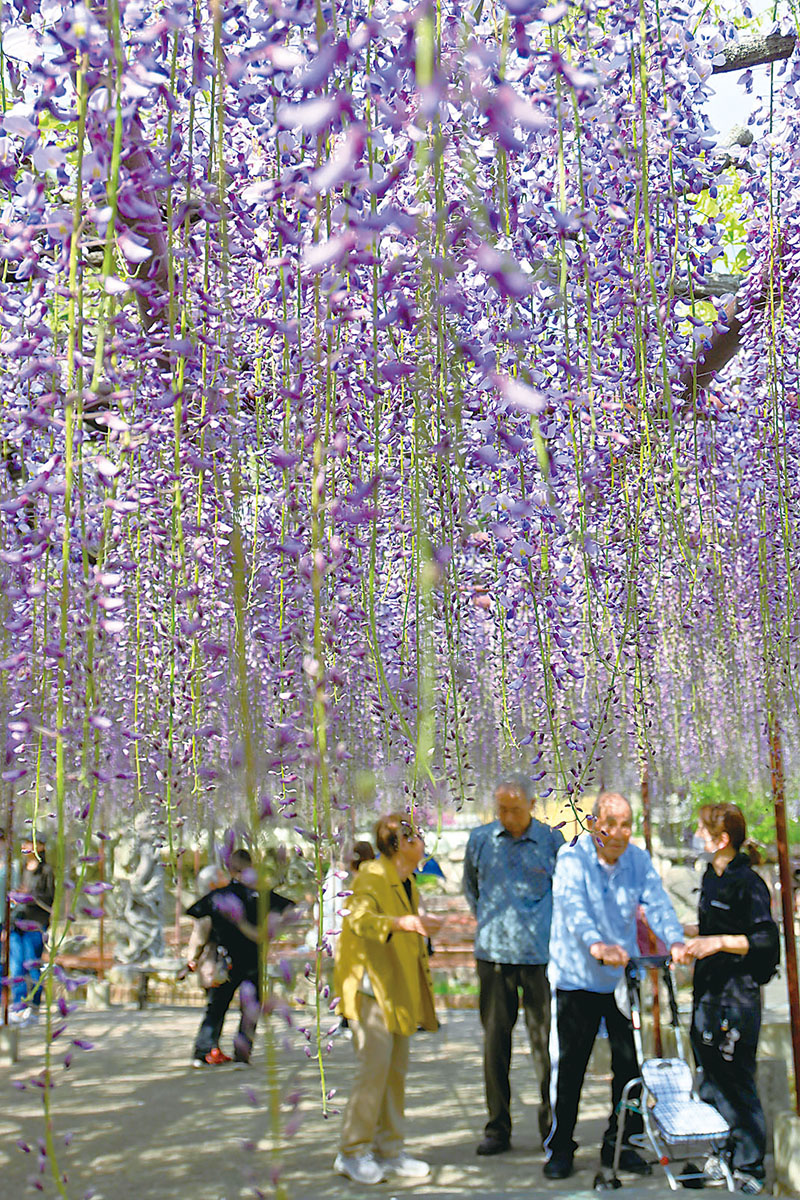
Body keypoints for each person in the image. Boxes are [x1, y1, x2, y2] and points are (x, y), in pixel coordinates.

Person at [544, 791, 687, 1180]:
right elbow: (573, 908)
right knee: (570, 1067)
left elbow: (656, 903)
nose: (620, 833)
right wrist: (596, 945)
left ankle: (621, 1143)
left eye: (627, 824)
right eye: (612, 824)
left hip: (621, 979)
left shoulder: (638, 861)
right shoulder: (572, 858)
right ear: (594, 824)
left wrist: (674, 940)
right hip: (576, 978)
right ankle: (561, 1148)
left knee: (629, 1065)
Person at [333, 813, 441, 1186]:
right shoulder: (372, 876)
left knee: (395, 1072)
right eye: (417, 836)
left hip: (397, 989)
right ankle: (351, 1151)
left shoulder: (407, 879)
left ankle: (390, 1150)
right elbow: (358, 919)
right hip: (370, 991)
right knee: (373, 1070)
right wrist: (399, 924)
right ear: (401, 844)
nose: (423, 842)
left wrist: (421, 924)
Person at [462, 775, 564, 1156]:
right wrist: (490, 920)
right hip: (493, 956)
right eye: (501, 808)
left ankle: (551, 1127)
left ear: (533, 806)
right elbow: (472, 888)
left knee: (544, 1047)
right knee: (495, 1044)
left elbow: (563, 891)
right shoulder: (481, 840)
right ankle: (497, 1127)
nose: (507, 816)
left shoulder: (552, 840)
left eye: (514, 810)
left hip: (540, 957)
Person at [683, 803, 779, 1196]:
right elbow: (710, 927)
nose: (697, 838)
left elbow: (764, 940)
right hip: (707, 992)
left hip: (737, 997)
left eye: (702, 831)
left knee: (737, 1080)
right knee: (709, 1080)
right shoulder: (710, 875)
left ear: (722, 840)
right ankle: (719, 1155)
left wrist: (717, 942)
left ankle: (750, 1164)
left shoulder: (749, 882)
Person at [186, 848, 265, 1068]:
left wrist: (192, 958)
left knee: (217, 1006)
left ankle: (202, 1051)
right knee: (248, 1009)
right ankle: (241, 1054)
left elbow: (200, 927)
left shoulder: (219, 897)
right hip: (250, 961)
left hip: (225, 960)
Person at [185, 863, 231, 1064]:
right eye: (221, 876)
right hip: (212, 964)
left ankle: (213, 1048)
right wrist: (191, 959)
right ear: (213, 883)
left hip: (221, 963)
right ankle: (202, 1050)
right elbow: (199, 937)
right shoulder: (208, 906)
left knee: (218, 1008)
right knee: (214, 1008)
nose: (225, 878)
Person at [9, 830, 55, 1026]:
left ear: (41, 847)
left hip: (35, 924)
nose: (26, 847)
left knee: (32, 964)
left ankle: (34, 1007)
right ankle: (18, 1005)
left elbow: (50, 900)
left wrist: (30, 895)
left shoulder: (46, 871)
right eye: (25, 842)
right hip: (16, 922)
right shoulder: (19, 868)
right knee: (16, 966)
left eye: (30, 843)